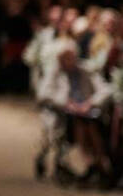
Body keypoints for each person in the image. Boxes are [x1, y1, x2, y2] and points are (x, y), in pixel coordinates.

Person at [38, 41, 113, 184]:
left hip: (88, 112)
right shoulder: (54, 72)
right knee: (81, 122)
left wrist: (90, 103)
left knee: (89, 123)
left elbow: (105, 90)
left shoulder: (86, 70)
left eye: (70, 57)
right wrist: (66, 103)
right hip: (65, 115)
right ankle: (93, 163)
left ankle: (96, 163)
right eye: (64, 57)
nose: (67, 61)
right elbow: (43, 94)